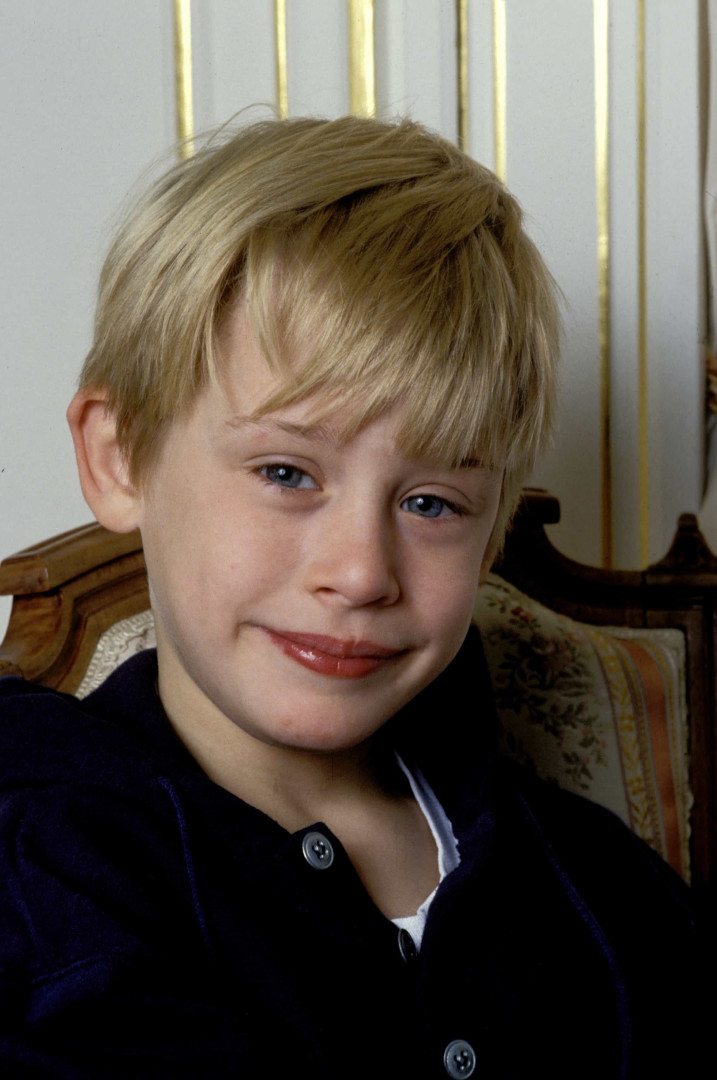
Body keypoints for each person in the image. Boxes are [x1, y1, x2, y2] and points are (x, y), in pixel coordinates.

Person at [0, 116, 694, 1078]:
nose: (362, 572)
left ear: (492, 530)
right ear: (121, 460)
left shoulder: (600, 887)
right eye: (286, 473)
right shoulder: (49, 864)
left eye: (430, 503)